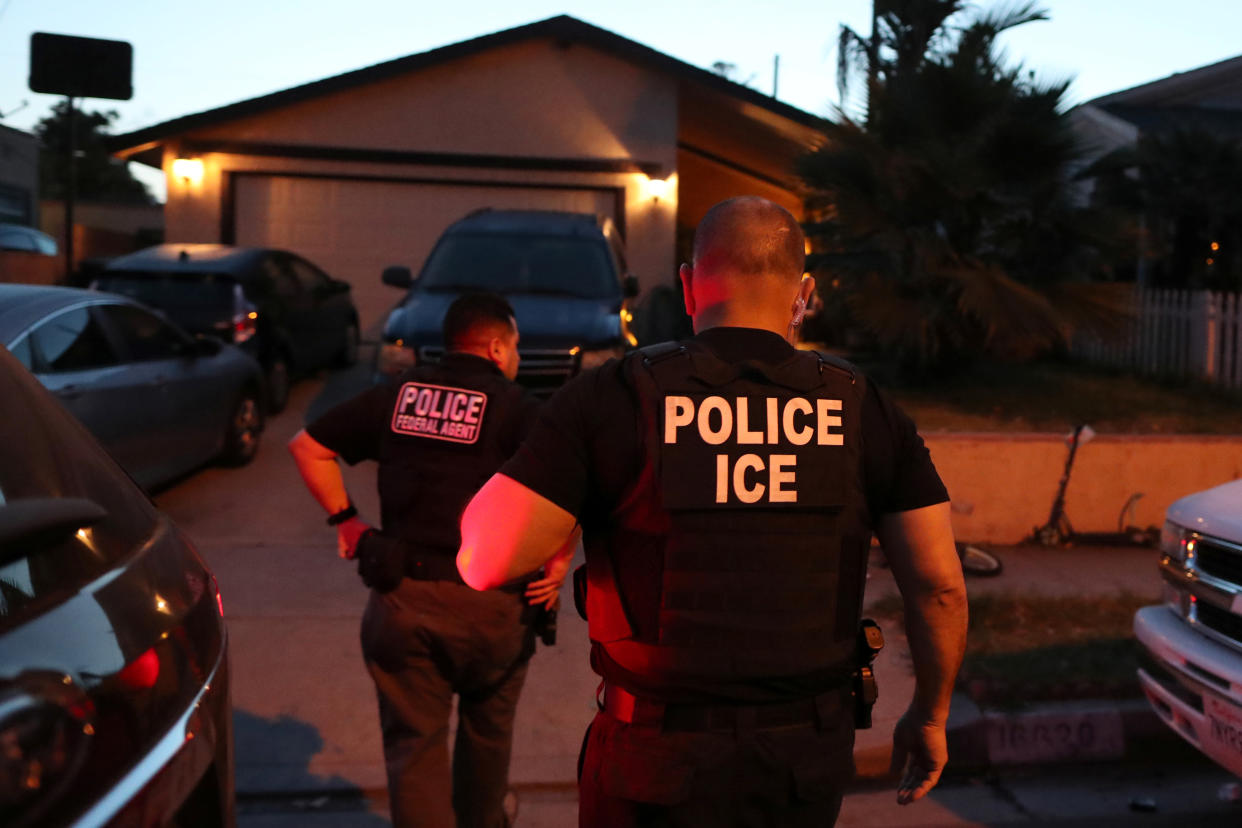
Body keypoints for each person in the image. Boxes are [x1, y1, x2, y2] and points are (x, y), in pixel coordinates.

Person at [457, 196, 969, 826]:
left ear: (688, 286)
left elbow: (484, 562)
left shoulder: (612, 396)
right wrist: (931, 715)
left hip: (651, 762)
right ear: (802, 293)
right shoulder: (865, 406)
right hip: (800, 765)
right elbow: (940, 589)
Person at [289, 292, 571, 828]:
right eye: (514, 348)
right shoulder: (518, 409)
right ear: (495, 347)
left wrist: (346, 520)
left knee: (413, 750)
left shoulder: (397, 395)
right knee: (487, 739)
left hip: (404, 601)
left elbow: (307, 447)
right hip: (494, 609)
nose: (515, 359)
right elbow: (571, 483)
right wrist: (557, 561)